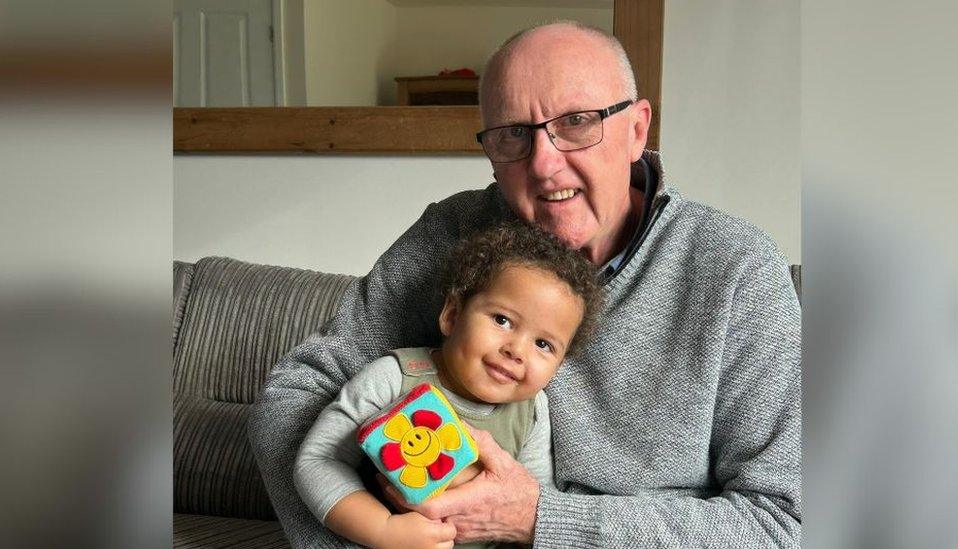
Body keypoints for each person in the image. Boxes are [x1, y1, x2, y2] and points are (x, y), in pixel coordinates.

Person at [250, 20, 801, 548]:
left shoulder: (737, 268)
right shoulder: (452, 231)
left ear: (636, 130)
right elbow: (298, 392)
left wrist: (538, 519)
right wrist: (370, 532)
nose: (544, 164)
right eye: (514, 135)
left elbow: (785, 521)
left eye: (577, 122)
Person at [292, 222, 603, 549]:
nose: (517, 350)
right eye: (502, 320)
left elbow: (533, 502)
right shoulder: (395, 377)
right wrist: (383, 530)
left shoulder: (533, 410)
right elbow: (318, 460)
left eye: (544, 344)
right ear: (452, 315)